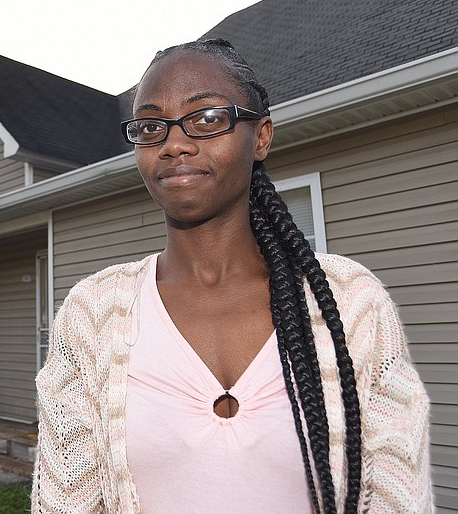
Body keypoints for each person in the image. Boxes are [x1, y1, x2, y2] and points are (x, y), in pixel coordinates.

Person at [30, 39, 433, 513]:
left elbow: (396, 499)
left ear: (260, 136)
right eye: (150, 126)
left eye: (206, 119)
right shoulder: (92, 314)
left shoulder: (350, 303)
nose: (174, 144)